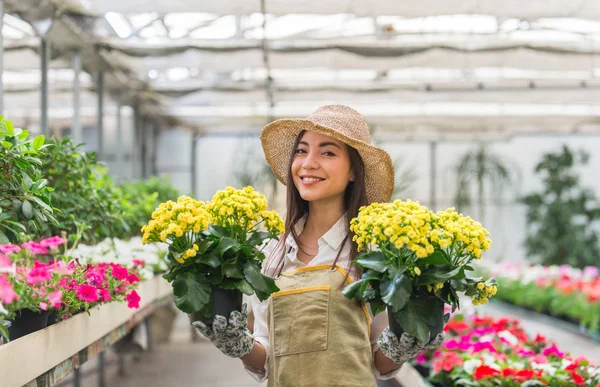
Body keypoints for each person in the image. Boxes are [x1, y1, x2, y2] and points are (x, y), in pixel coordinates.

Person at [192, 105, 444, 386]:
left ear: (353, 171)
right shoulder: (272, 250)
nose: (308, 163)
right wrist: (238, 345)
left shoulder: (375, 253)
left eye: (327, 152)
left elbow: (375, 362)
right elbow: (268, 360)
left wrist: (402, 345)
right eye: (301, 150)